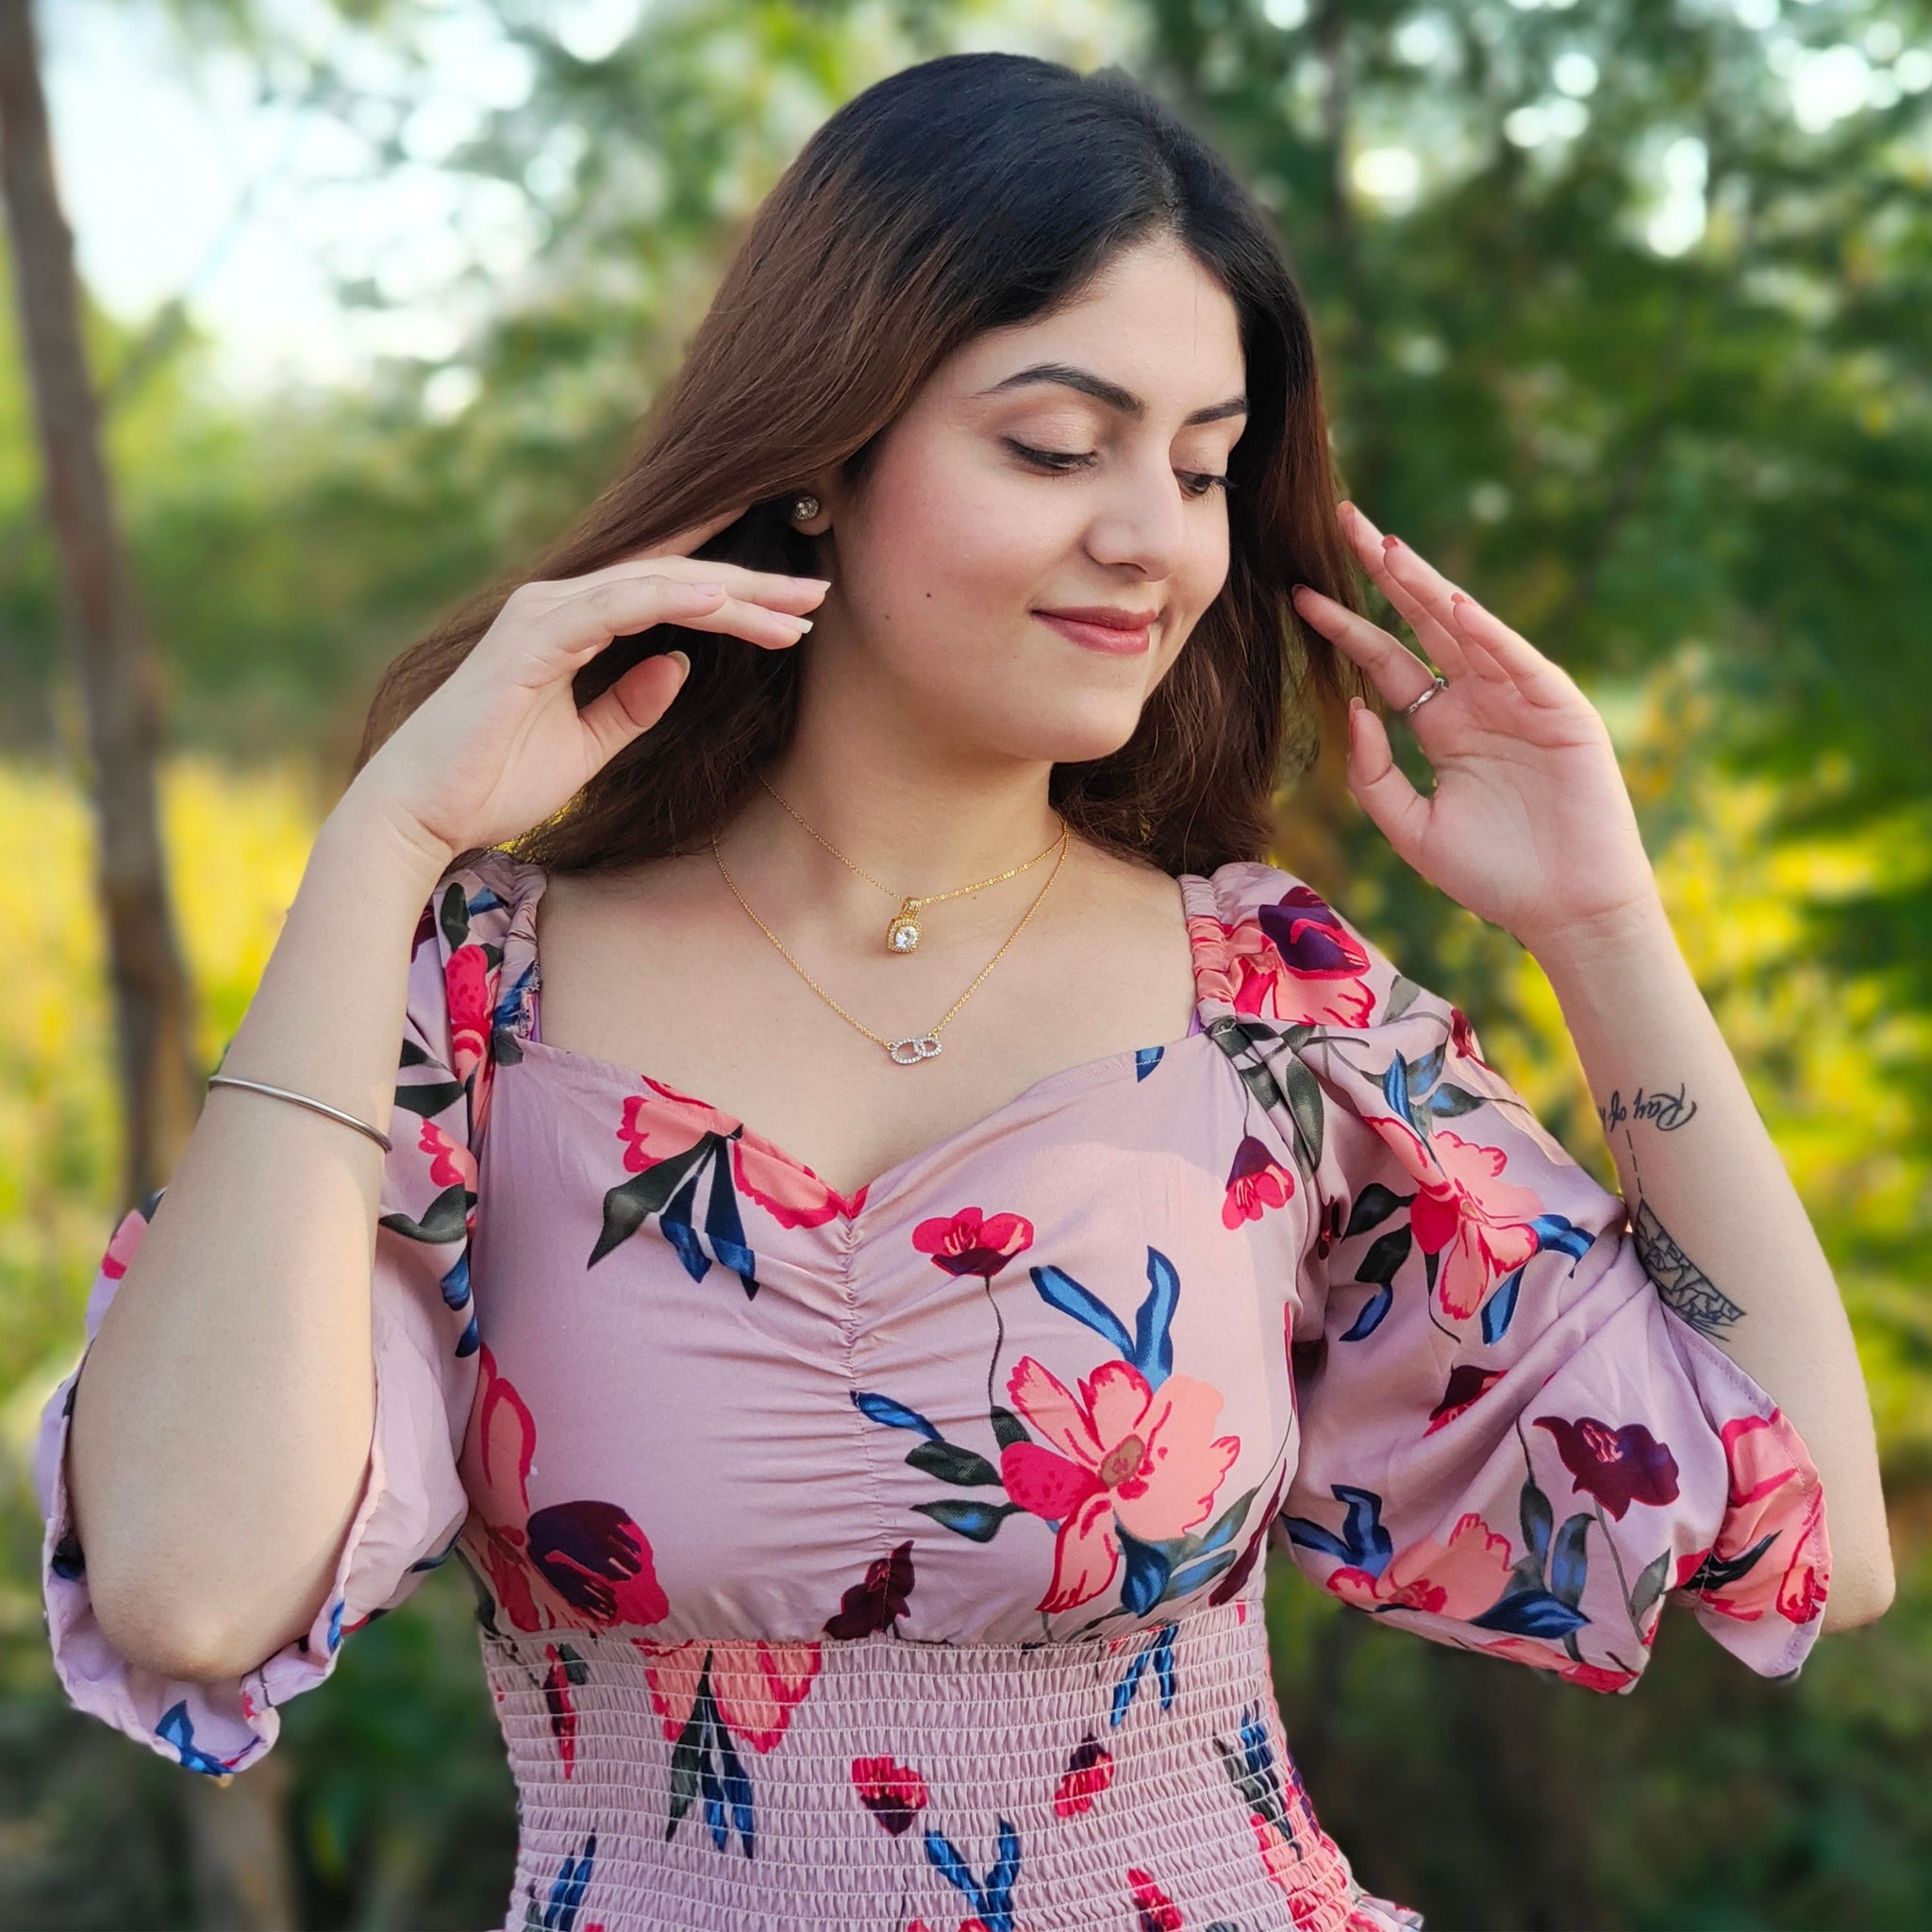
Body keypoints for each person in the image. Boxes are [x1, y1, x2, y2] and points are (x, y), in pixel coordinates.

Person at [36, 49, 1887, 1932]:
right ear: (824, 459)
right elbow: (194, 1589)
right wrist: (382, 849)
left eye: (1200, 466)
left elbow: (1804, 1527)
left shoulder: (1267, 1008)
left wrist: (1599, 918)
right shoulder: (481, 1009)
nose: (1150, 539)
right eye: (1054, 445)